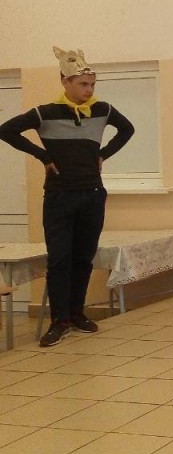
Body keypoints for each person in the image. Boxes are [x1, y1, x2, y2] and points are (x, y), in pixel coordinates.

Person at [0, 47, 134, 347]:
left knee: (83, 257)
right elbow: (6, 130)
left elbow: (127, 130)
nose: (89, 90)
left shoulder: (102, 110)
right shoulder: (45, 113)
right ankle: (58, 321)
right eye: (83, 84)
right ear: (65, 81)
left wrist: (103, 154)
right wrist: (43, 156)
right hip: (59, 196)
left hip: (92, 194)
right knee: (60, 258)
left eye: (92, 84)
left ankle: (76, 313)